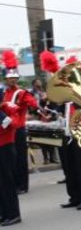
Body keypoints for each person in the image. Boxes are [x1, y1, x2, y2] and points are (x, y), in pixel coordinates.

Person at [40, 51, 81, 210]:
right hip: (64, 134)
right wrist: (46, 106)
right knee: (68, 167)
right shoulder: (60, 99)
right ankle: (74, 197)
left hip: (80, 133)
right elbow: (49, 111)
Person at [2, 51, 38, 195]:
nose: (12, 81)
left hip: (19, 128)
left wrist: (26, 106)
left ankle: (23, 185)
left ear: (17, 79)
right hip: (8, 129)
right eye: (9, 79)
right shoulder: (4, 93)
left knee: (20, 158)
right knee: (11, 159)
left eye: (14, 78)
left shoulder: (22, 93)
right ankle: (15, 183)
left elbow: (33, 103)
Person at [0, 78, 21, 226]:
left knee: (7, 182)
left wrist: (3, 118)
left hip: (5, 147)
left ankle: (13, 214)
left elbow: (15, 122)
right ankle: (3, 213)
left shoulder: (8, 106)